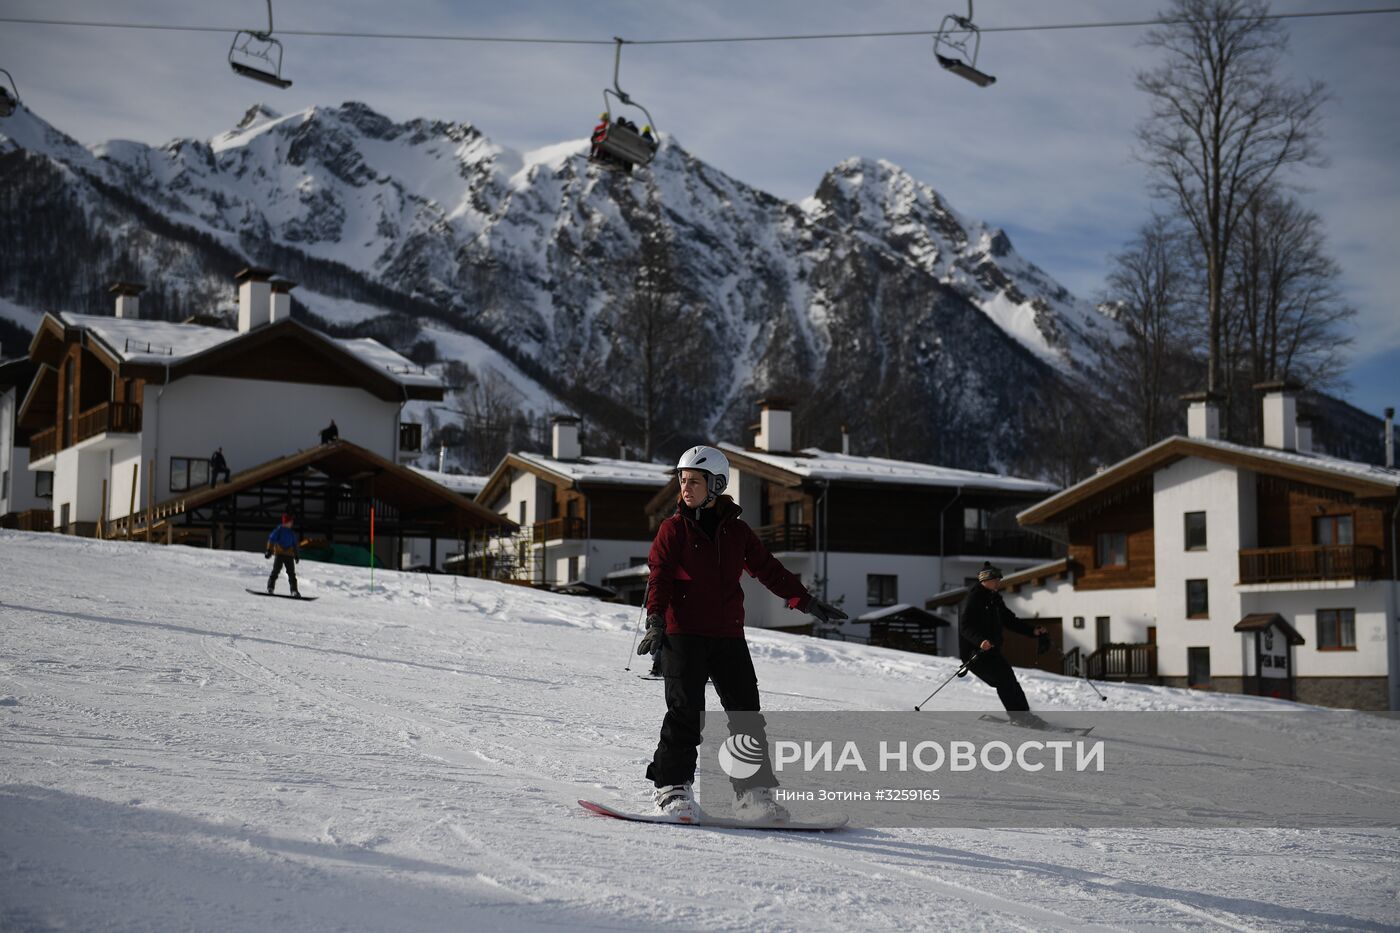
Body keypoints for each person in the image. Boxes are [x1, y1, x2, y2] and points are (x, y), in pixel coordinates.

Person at [637, 445, 847, 822]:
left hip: (727, 635)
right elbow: (659, 576)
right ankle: (672, 788)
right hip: (683, 633)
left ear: (716, 484)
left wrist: (806, 601)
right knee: (686, 713)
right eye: (682, 481)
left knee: (746, 714)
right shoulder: (673, 530)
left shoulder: (737, 532)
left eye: (695, 481)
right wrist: (655, 621)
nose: (686, 488)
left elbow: (768, 569)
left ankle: (752, 794)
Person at [957, 561, 1047, 713]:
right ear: (986, 580)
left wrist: (1032, 632)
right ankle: (1019, 717)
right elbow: (964, 627)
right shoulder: (973, 598)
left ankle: (1024, 715)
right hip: (974, 654)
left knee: (1009, 680)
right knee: (1003, 680)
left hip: (992, 651)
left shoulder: (995, 599)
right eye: (996, 579)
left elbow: (1010, 620)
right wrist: (980, 641)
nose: (999, 582)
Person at [265, 513, 301, 597]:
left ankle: (294, 591)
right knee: (275, 571)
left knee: (291, 574)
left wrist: (296, 555)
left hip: (289, 555)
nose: (291, 524)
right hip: (279, 554)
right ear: (286, 522)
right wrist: (269, 550)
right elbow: (271, 540)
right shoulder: (279, 530)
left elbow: (294, 544)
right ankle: (270, 588)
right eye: (290, 522)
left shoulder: (291, 533)